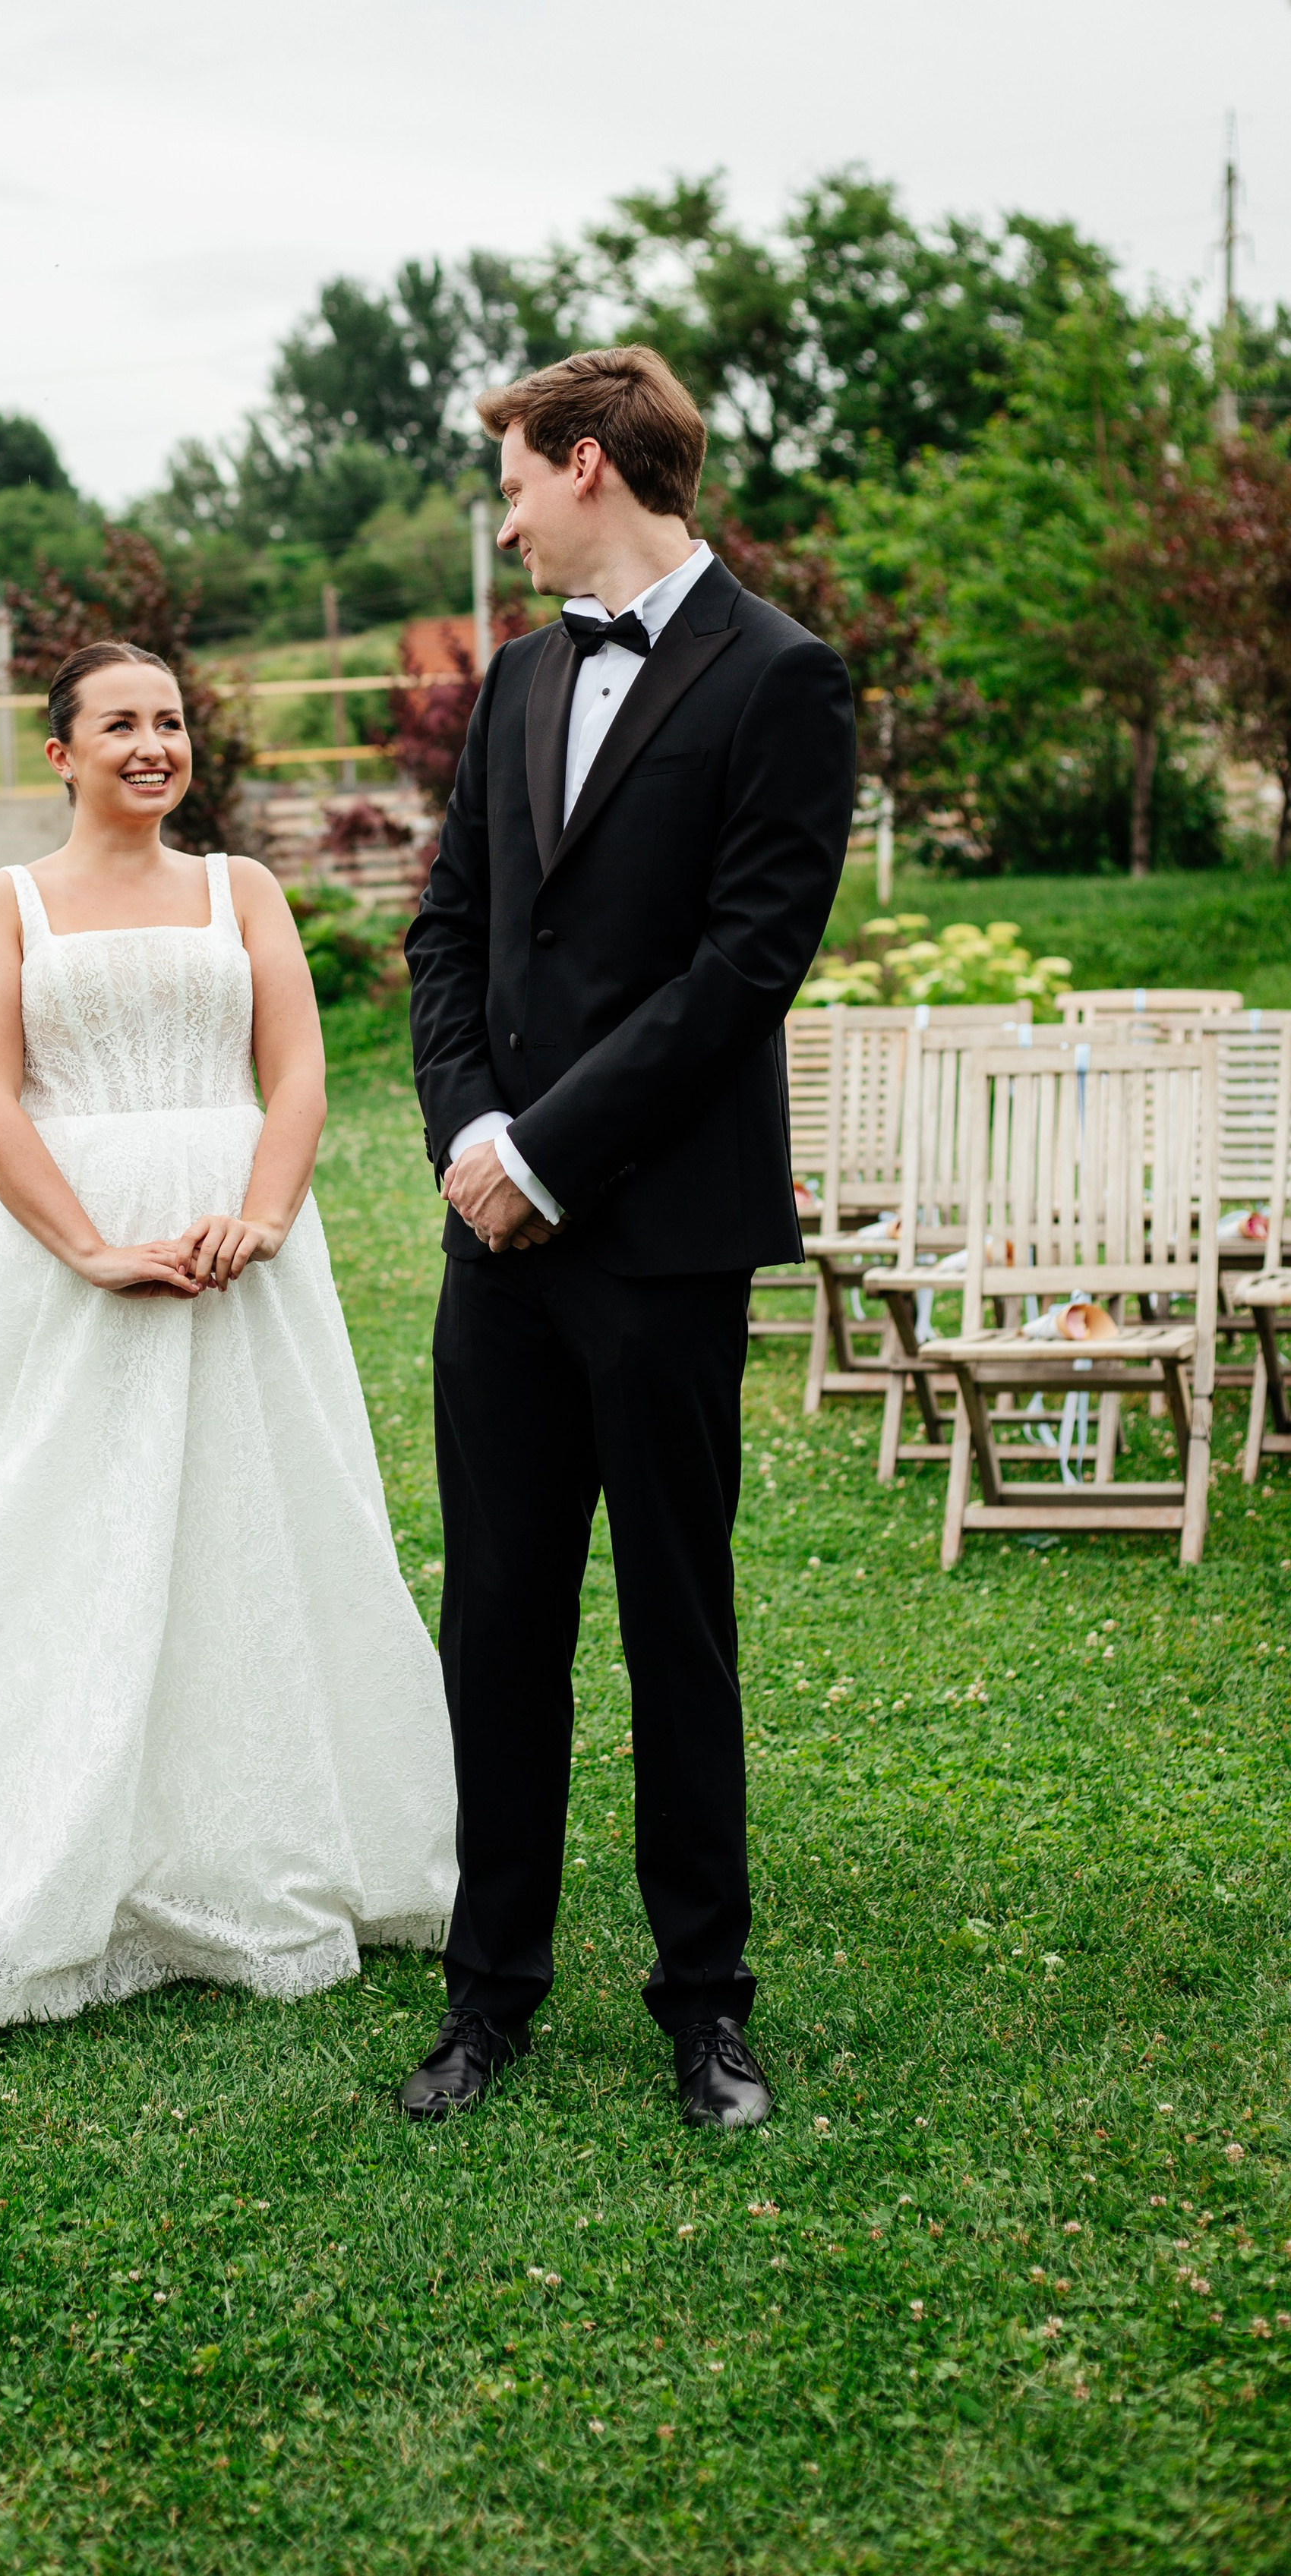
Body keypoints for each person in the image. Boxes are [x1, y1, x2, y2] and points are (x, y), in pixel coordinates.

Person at [0, 639, 456, 2024]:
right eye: (120, 723)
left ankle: (270, 1835)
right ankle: (31, 1844)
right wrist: (88, 1250)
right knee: (49, 1523)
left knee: (260, 1521)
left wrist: (259, 1215)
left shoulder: (240, 890)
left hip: (241, 1259)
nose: (154, 744)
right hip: (66, 1261)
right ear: (60, 752)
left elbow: (301, 1069)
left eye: (172, 721)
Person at [399, 348, 854, 2127]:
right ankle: (485, 1992)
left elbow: (742, 968)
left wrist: (556, 1155)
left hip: (658, 1239)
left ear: (584, 465)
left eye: (510, 477)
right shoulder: (515, 681)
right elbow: (445, 939)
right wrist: (467, 1142)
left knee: (677, 1622)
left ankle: (703, 2004)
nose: (499, 516)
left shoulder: (781, 678)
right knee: (496, 1622)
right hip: (489, 1244)